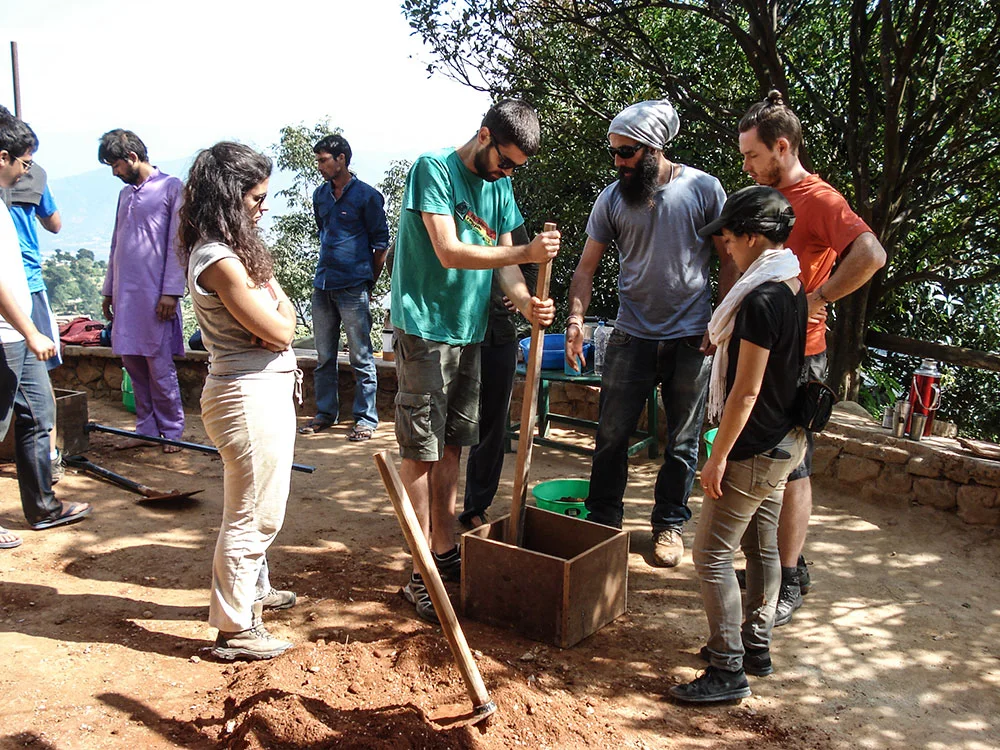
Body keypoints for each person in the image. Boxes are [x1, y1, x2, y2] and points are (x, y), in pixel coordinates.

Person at [390, 99, 559, 621]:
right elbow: (449, 251)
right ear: (484, 136)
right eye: (505, 161)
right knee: (421, 450)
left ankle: (444, 549)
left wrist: (526, 299)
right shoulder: (433, 168)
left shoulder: (500, 186)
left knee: (452, 447)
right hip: (424, 327)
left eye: (515, 168)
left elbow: (505, 267)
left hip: (469, 330)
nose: (507, 174)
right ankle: (419, 573)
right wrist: (525, 255)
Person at [565, 99, 738, 567]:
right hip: (631, 335)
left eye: (626, 153)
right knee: (611, 435)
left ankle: (669, 526)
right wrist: (576, 321)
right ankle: (603, 521)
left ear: (654, 149)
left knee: (682, 441)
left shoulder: (704, 189)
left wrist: (719, 321)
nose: (618, 163)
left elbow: (728, 257)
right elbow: (585, 268)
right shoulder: (613, 198)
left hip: (691, 338)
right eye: (614, 153)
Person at [738, 91, 886, 624]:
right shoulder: (769, 196)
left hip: (803, 355)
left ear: (782, 147)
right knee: (766, 460)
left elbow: (871, 254)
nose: (748, 167)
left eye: (753, 156)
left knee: (794, 465)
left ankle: (789, 576)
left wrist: (818, 299)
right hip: (764, 347)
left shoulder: (819, 199)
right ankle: (769, 568)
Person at [669, 186, 806, 704]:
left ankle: (728, 669)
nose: (724, 246)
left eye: (728, 237)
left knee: (710, 556)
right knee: (762, 547)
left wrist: (719, 456)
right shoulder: (792, 284)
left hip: (751, 450)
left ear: (752, 236)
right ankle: (756, 646)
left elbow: (745, 390)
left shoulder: (759, 298)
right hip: (785, 441)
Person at [177, 142, 300, 661]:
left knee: (258, 505)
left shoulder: (234, 252)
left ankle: (255, 591)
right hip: (246, 399)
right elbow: (281, 326)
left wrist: (279, 310)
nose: (263, 206)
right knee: (252, 514)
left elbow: (282, 319)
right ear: (230, 197)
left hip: (255, 393)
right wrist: (279, 311)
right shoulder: (220, 261)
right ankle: (236, 628)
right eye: (255, 197)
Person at [0, 106, 91, 547]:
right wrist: (30, 330)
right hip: (8, 331)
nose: (28, 170)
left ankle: (42, 508)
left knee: (39, 411)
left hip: (17, 328)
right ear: (3, 157)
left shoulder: (5, 196)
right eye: (24, 162)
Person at [98, 129, 186, 452]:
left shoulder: (171, 188)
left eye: (116, 165)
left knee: (159, 366)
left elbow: (179, 244)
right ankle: (146, 429)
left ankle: (172, 430)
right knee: (133, 365)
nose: (114, 172)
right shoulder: (125, 195)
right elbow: (115, 244)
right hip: (125, 296)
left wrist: (171, 292)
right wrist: (109, 290)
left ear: (133, 158)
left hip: (155, 297)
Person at [299, 134, 389, 441]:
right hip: (323, 284)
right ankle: (326, 413)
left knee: (361, 356)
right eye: (318, 160)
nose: (320, 166)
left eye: (324, 160)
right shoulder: (320, 196)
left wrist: (368, 280)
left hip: (353, 286)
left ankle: (365, 419)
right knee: (324, 356)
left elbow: (381, 245)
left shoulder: (368, 197)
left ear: (342, 159)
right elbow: (323, 233)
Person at [458, 224, 536, 530]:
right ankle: (433, 512)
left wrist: (520, 297)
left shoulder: (506, 214)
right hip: (453, 334)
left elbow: (530, 263)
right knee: (445, 431)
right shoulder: (442, 204)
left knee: (493, 426)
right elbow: (401, 262)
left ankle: (476, 505)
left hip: (498, 334)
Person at [3, 162, 65, 483]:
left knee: (35, 393)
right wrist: (30, 331)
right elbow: (54, 224)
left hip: (24, 285)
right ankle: (49, 459)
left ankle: (43, 489)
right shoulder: (36, 174)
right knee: (40, 383)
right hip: (26, 285)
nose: (25, 168)